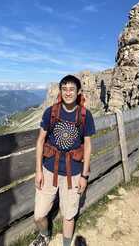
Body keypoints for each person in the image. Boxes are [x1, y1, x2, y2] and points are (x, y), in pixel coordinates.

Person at [30, 75, 96, 246]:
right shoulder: (51, 112)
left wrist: (84, 176)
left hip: (73, 173)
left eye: (72, 89)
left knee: (69, 215)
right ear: (60, 91)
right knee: (39, 214)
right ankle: (45, 235)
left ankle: (66, 244)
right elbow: (40, 141)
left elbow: (87, 146)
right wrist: (38, 171)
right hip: (48, 170)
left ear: (78, 92)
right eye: (64, 89)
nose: (68, 93)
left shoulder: (85, 115)